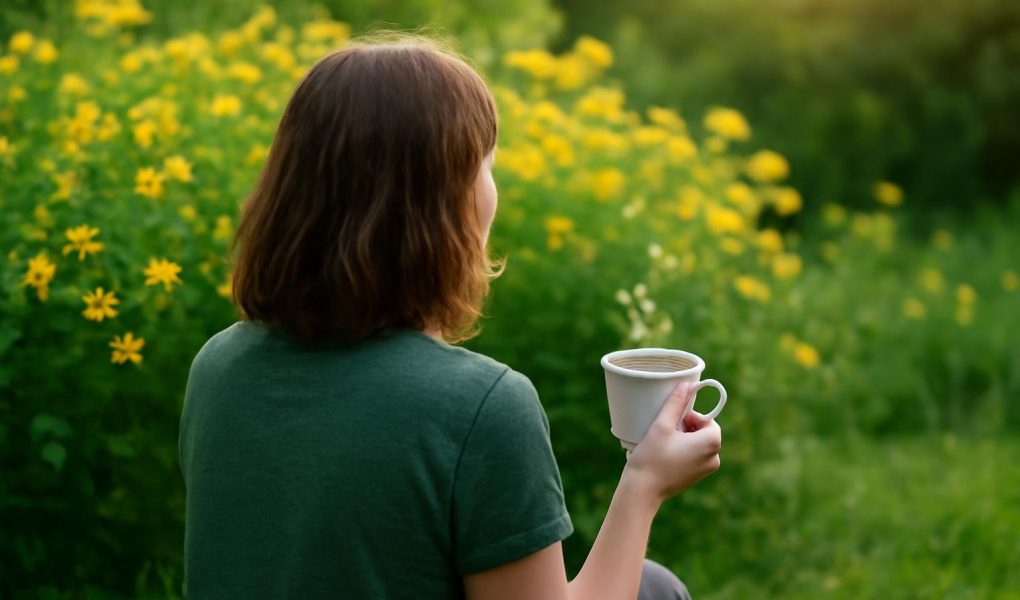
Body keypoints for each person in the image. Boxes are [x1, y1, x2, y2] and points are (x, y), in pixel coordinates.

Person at [178, 34, 722, 600]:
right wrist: (644, 483)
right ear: (443, 207)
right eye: (485, 166)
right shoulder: (479, 408)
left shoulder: (218, 367)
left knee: (648, 585)